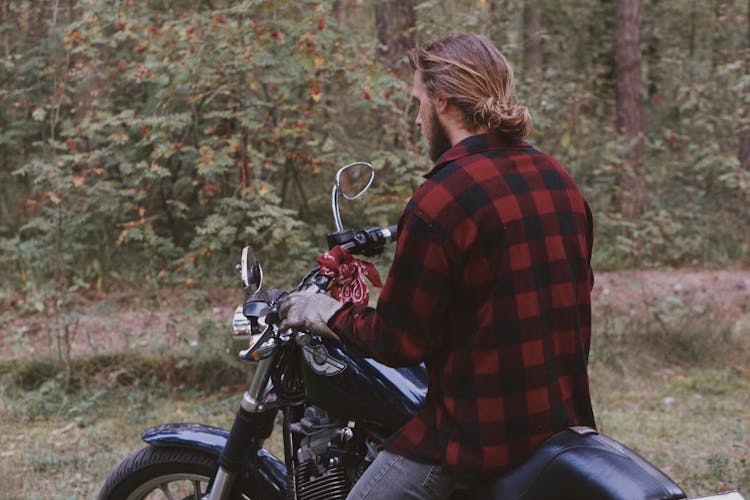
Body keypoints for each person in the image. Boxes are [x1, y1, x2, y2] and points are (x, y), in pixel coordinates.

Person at [279, 32, 596, 499]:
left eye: (418, 101)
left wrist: (323, 311)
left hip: (475, 441)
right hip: (560, 428)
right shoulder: (558, 180)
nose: (417, 117)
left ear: (442, 100)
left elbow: (397, 341)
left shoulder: (441, 199)